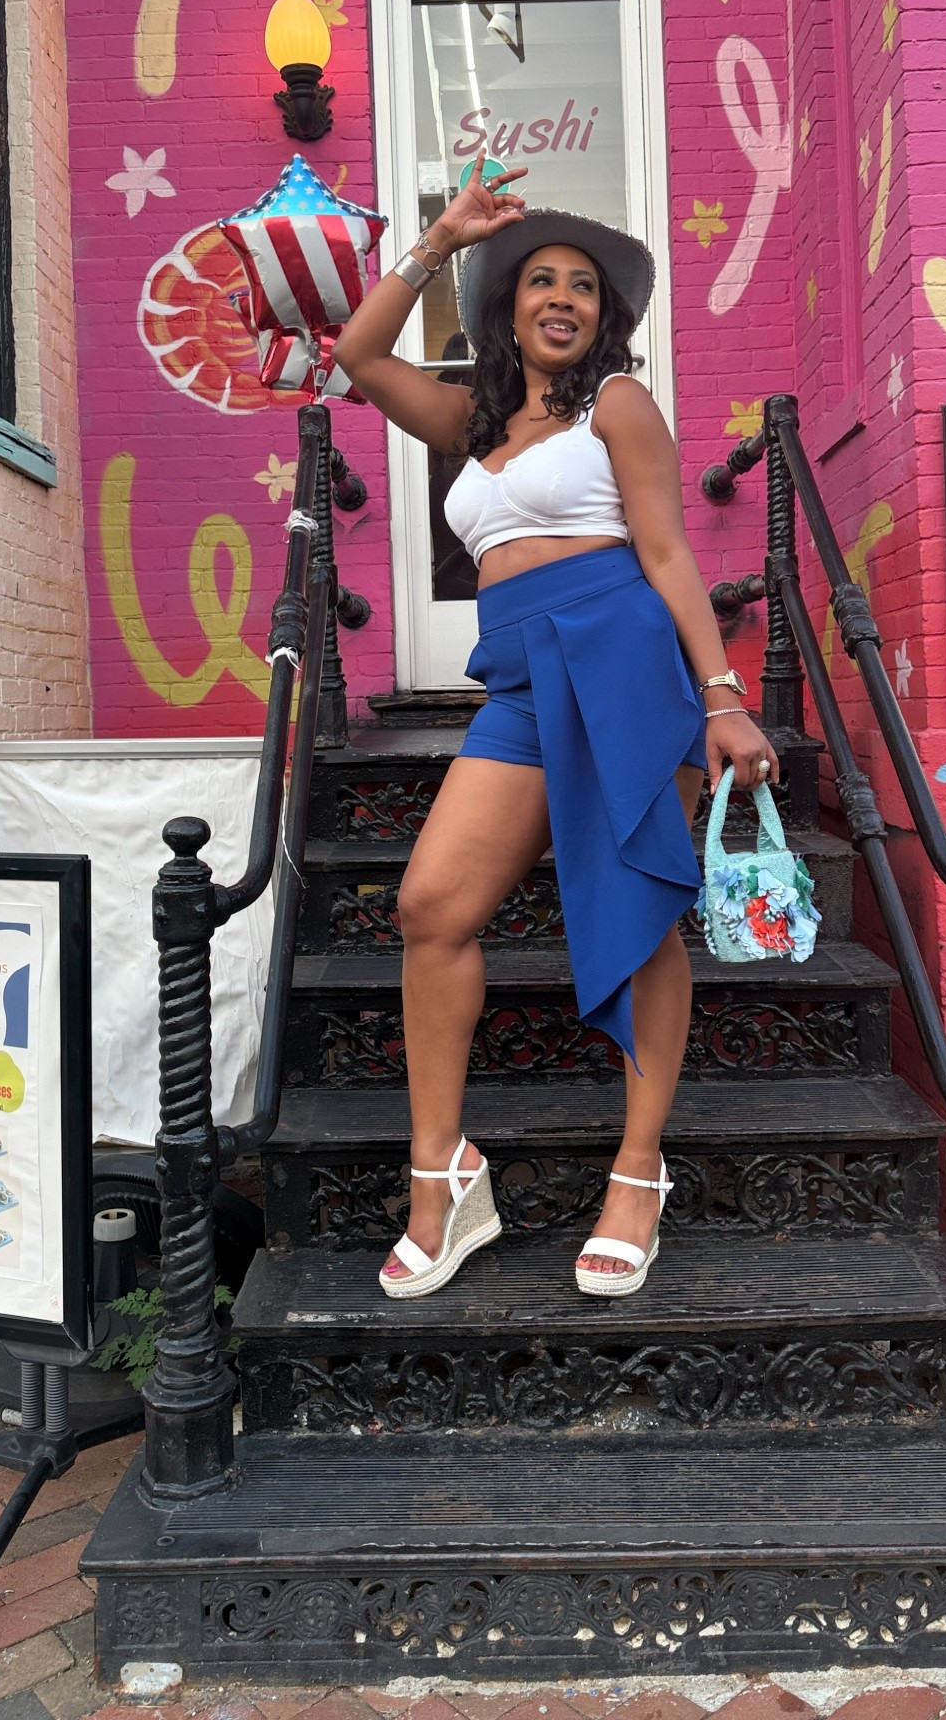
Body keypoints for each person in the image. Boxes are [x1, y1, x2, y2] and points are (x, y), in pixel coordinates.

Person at [330, 166, 780, 1301]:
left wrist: (722, 695)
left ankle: (637, 1170)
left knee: (636, 910)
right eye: (541, 280)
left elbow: (669, 551)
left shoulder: (616, 404)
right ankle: (443, 1173)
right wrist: (436, 239)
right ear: (508, 308)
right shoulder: (472, 419)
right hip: (523, 688)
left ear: (603, 316)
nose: (563, 297)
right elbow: (360, 358)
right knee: (431, 906)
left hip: (627, 666)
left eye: (583, 285)